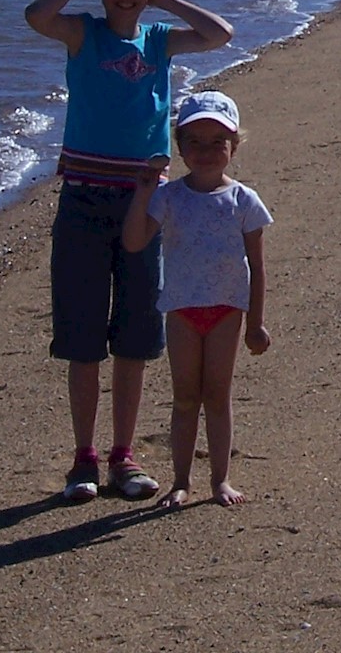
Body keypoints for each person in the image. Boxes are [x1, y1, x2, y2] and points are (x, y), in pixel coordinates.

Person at [25, 0, 234, 502]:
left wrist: (164, 0)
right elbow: (37, 14)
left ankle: (124, 455)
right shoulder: (82, 34)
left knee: (136, 336)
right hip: (84, 199)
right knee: (82, 335)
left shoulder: (161, 39)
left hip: (145, 199)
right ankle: (83, 458)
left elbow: (220, 34)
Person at [130, 90, 272, 508]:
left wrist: (256, 322)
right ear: (180, 146)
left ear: (234, 146)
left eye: (217, 142)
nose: (206, 152)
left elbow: (257, 266)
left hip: (227, 309)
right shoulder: (169, 196)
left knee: (218, 396)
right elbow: (135, 241)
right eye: (195, 142)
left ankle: (220, 480)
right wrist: (143, 191)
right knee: (185, 397)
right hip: (182, 309)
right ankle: (180, 480)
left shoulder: (244, 200)